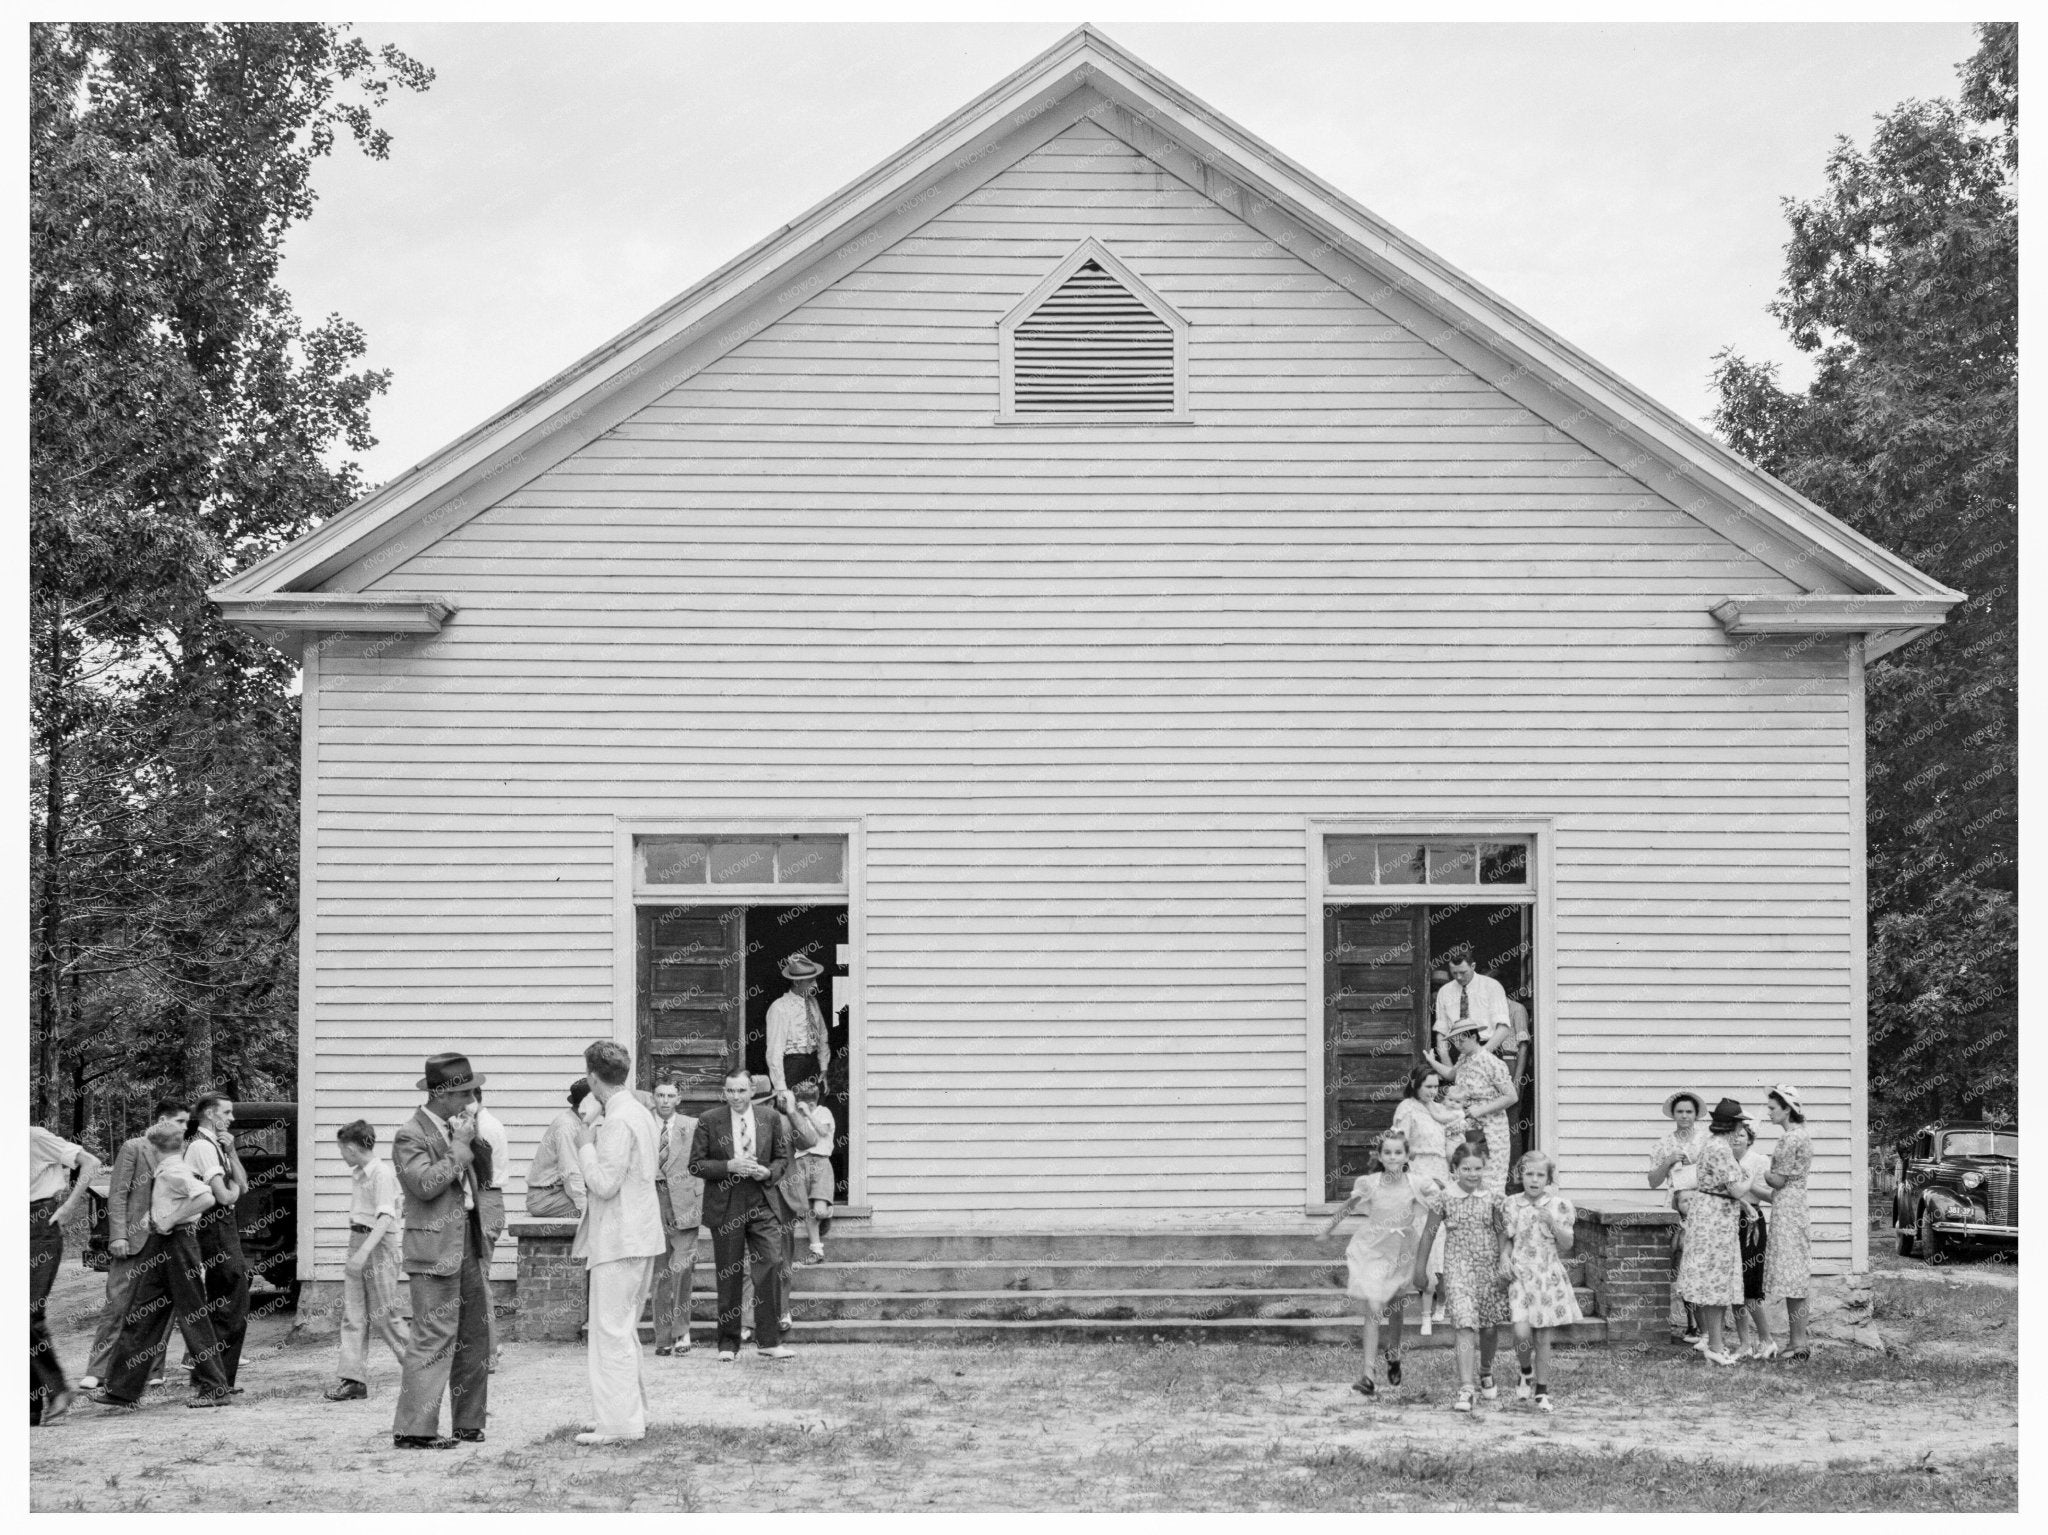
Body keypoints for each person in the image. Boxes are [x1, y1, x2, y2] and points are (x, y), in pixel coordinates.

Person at [89, 1120, 235, 1412]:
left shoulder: (172, 1171)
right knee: (141, 1314)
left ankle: (215, 1387)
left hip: (177, 1244)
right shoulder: (170, 1168)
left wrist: (170, 1219)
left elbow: (206, 1197)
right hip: (162, 1245)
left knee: (193, 1316)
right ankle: (122, 1389)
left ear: (152, 1147)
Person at [390, 1051, 494, 1449]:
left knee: (475, 1334)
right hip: (433, 1248)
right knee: (433, 1336)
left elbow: (482, 1177)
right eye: (465, 1093)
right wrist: (460, 1147)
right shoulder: (410, 1135)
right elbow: (424, 1185)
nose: (472, 1100)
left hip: (465, 1239)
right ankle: (414, 1430)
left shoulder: (457, 1128)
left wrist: (471, 1141)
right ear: (441, 1094)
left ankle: (468, 1422)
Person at [572, 1040, 664, 1445]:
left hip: (619, 1237)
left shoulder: (618, 1120)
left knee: (610, 1331)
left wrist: (585, 1147)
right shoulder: (639, 1113)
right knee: (622, 1330)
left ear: (593, 1078)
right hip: (639, 1234)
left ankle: (620, 1424)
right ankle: (629, 1412)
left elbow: (605, 1183)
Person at [1320, 1129, 1437, 1398]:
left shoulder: (1416, 1183)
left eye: (1398, 1152)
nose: (1393, 1157)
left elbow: (1440, 1200)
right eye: (1388, 1153)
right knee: (1374, 1306)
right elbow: (1348, 1206)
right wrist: (1327, 1229)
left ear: (1407, 1156)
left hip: (1403, 1249)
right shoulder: (1370, 1184)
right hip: (1374, 1248)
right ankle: (1368, 1374)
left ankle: (1393, 1354)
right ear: (1380, 1157)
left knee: (1395, 1305)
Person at [689, 1068, 795, 1361]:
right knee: (729, 1273)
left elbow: (782, 1159)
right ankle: (728, 1344)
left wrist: (768, 1172)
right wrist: (728, 1167)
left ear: (752, 1091)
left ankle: (769, 1341)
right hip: (727, 1202)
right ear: (724, 1092)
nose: (735, 1096)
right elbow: (696, 1164)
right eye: (730, 1091)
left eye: (741, 1090)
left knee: (771, 1263)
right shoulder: (709, 1119)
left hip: (762, 1199)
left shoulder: (770, 1118)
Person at [79, 1098, 185, 1393]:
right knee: (117, 1304)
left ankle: (153, 1370)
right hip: (134, 1239)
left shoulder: (181, 1151)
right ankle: (98, 1370)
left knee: (162, 1307)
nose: (183, 1127)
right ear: (162, 1120)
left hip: (168, 1238)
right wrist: (118, 1235)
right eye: (179, 1121)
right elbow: (117, 1195)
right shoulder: (134, 1147)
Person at [1410, 1139, 1508, 1414]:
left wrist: (1505, 1260)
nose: (1472, 1174)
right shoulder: (1443, 1198)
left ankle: (1486, 1369)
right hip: (1458, 1268)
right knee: (1464, 1324)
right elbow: (1428, 1234)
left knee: (1489, 1326)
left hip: (1489, 1268)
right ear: (1454, 1169)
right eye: (1466, 1168)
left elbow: (1502, 1232)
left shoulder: (1494, 1199)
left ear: (1484, 1168)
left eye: (1477, 1168)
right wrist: (1420, 1269)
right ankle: (1466, 1387)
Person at [325, 1120, 410, 1401]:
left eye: (342, 1149)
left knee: (384, 1316)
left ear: (351, 1148)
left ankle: (421, 1366)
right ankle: (353, 1380)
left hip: (378, 1245)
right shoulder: (359, 1174)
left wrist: (363, 1253)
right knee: (354, 1315)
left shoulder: (381, 1173)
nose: (341, 1155)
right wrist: (357, 1250)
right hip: (358, 1239)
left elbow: (385, 1218)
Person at [30, 1122, 104, 1425]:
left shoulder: (33, 1136)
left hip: (38, 1224)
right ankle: (31, 1406)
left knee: (29, 1312)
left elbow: (91, 1162)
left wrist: (70, 1206)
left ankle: (58, 1389)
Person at [1500, 1150, 1580, 1413]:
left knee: (1543, 1336)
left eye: (1540, 1175)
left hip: (1546, 1275)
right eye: (1529, 1174)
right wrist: (1504, 1258)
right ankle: (1525, 1370)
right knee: (1521, 1332)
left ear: (1548, 1178)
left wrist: (1553, 1224)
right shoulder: (1511, 1204)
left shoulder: (1559, 1205)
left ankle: (1542, 1390)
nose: (1534, 1180)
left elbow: (1567, 1244)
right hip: (1521, 1274)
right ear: (1520, 1175)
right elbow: (1508, 1240)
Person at [182, 1094, 250, 1393]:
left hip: (224, 1226)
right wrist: (233, 1189)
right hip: (213, 1227)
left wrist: (232, 1152)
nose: (231, 1118)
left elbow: (243, 1184)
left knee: (230, 1304)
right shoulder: (201, 1147)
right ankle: (213, 1381)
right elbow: (224, 1195)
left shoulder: (219, 1146)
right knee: (228, 1305)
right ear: (210, 1114)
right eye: (227, 1112)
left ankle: (217, 1378)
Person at [1676, 1097, 1747, 1365]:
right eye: (1740, 1124)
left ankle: (1714, 1342)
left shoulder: (1712, 1143)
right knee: (1716, 1280)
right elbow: (1735, 1189)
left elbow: (1717, 1185)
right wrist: (1750, 1178)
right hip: (1716, 1219)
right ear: (1734, 1125)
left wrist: (1743, 1204)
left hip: (1709, 1214)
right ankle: (1715, 1346)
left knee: (1711, 1280)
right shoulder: (1721, 1149)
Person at [1390, 1065, 1462, 1329]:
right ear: (1415, 1084)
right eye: (1428, 1086)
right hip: (1420, 1174)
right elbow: (1399, 1148)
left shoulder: (1439, 1110)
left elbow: (1455, 1135)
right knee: (1423, 1234)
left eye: (1436, 1087)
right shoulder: (1407, 1109)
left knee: (1442, 1236)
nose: (1433, 1091)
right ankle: (1425, 1299)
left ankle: (1442, 1299)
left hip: (1442, 1174)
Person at [1646, 1090, 1708, 1342]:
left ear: (1696, 1115)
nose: (1684, 1116)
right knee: (1681, 1264)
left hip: (1702, 1207)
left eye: (1689, 1112)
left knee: (1701, 1266)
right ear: (1673, 1114)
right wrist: (1668, 1161)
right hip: (1676, 1208)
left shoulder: (1706, 1141)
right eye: (1680, 1111)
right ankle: (1691, 1324)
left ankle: (1706, 1327)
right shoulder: (1664, 1143)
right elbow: (1653, 1181)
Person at [649, 1079, 703, 1357]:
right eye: (660, 1095)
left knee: (682, 1270)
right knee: (660, 1275)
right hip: (653, 1207)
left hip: (685, 1206)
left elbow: (702, 1164)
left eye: (670, 1096)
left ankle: (682, 1331)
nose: (665, 1101)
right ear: (653, 1098)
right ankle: (662, 1337)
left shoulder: (692, 1126)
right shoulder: (644, 1126)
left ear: (679, 1099)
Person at [1763, 1084, 1814, 1359]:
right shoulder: (1803, 1135)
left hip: (1787, 1208)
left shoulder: (1789, 1139)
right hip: (1797, 1205)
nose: (1769, 1112)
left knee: (1792, 1274)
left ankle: (1798, 1343)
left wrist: (1762, 1169)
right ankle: (1797, 1342)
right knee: (1796, 1273)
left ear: (1787, 1109)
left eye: (1773, 1108)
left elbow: (1778, 1180)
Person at [1447, 1019, 1517, 1196]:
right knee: (1467, 1178)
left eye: (1461, 1039)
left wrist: (1480, 1110)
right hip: (1468, 1128)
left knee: (1490, 1180)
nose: (1458, 1044)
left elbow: (1511, 1096)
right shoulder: (1463, 1060)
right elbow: (1450, 1075)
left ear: (1473, 1037)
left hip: (1491, 1129)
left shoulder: (1491, 1062)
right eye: (1455, 1040)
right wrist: (1432, 1060)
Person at [1730, 1121, 1777, 1360]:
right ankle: (1744, 1343)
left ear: (1749, 1139)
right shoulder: (1723, 1159)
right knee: (1734, 1286)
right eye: (1732, 1134)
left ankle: (1766, 1339)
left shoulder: (1759, 1161)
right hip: (1727, 1220)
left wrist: (1746, 1183)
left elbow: (1771, 1196)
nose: (1736, 1138)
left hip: (1751, 1220)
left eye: (1741, 1135)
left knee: (1750, 1284)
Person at [472, 1087, 510, 1371]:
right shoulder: (489, 1123)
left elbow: (478, 1174)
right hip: (490, 1201)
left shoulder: (482, 1129)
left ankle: (488, 1351)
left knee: (478, 1278)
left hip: (484, 1200)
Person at [785, 1080, 836, 1266]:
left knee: (818, 1211)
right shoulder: (795, 1116)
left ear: (815, 1102)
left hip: (820, 1162)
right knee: (807, 1210)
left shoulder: (824, 1112)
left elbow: (822, 1132)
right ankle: (816, 1251)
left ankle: (827, 1213)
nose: (807, 1107)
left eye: (810, 1104)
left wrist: (808, 1114)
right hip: (801, 1163)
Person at [765, 953, 831, 1094]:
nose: (816, 985)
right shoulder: (780, 1007)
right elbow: (774, 1050)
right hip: (793, 1067)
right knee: (792, 1104)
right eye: (810, 981)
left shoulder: (813, 1002)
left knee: (815, 1103)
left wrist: (823, 1067)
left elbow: (822, 1035)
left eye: (815, 980)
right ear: (796, 982)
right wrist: (780, 1087)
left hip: (813, 1065)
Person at [525, 1079, 592, 1218]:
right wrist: (586, 1210)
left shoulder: (576, 1122)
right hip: (546, 1198)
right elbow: (570, 1172)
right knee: (601, 1208)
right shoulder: (567, 1127)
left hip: (556, 1194)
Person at [1433, 951, 1513, 1061]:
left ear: (1473, 966)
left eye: (1463, 972)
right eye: (1454, 973)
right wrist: (1446, 1061)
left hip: (1487, 1049)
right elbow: (1441, 1031)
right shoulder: (1444, 991)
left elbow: (1503, 1029)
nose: (1459, 977)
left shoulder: (1492, 986)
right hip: (1455, 1051)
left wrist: (1480, 1055)